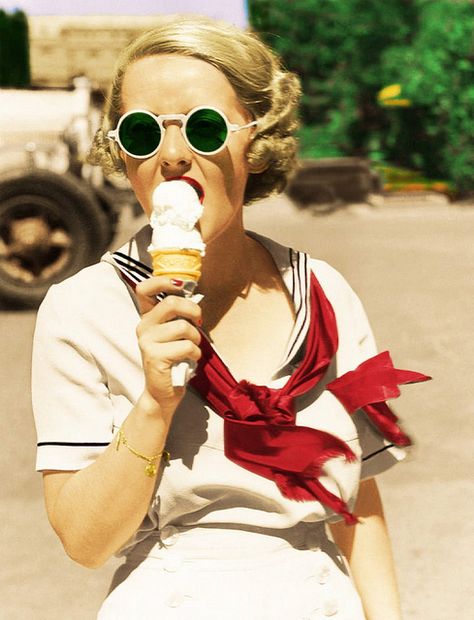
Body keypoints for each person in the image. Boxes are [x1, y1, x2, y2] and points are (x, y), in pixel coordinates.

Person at [32, 15, 429, 620]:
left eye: (204, 126)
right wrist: (154, 405)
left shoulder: (328, 294)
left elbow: (360, 502)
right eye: (141, 132)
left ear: (256, 138)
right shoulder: (80, 309)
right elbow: (85, 543)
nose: (171, 156)